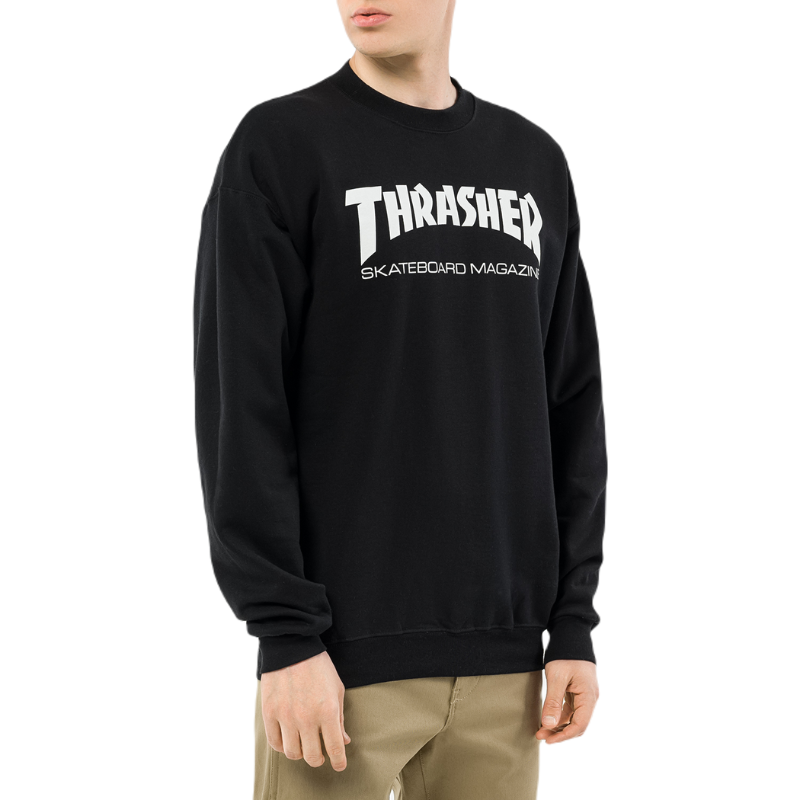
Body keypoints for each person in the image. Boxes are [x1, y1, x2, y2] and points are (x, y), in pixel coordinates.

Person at [193, 2, 607, 798]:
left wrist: (572, 623)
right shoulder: (280, 146)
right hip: (335, 668)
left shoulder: (532, 162)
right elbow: (241, 410)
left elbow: (570, 406)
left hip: (509, 669)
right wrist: (286, 635)